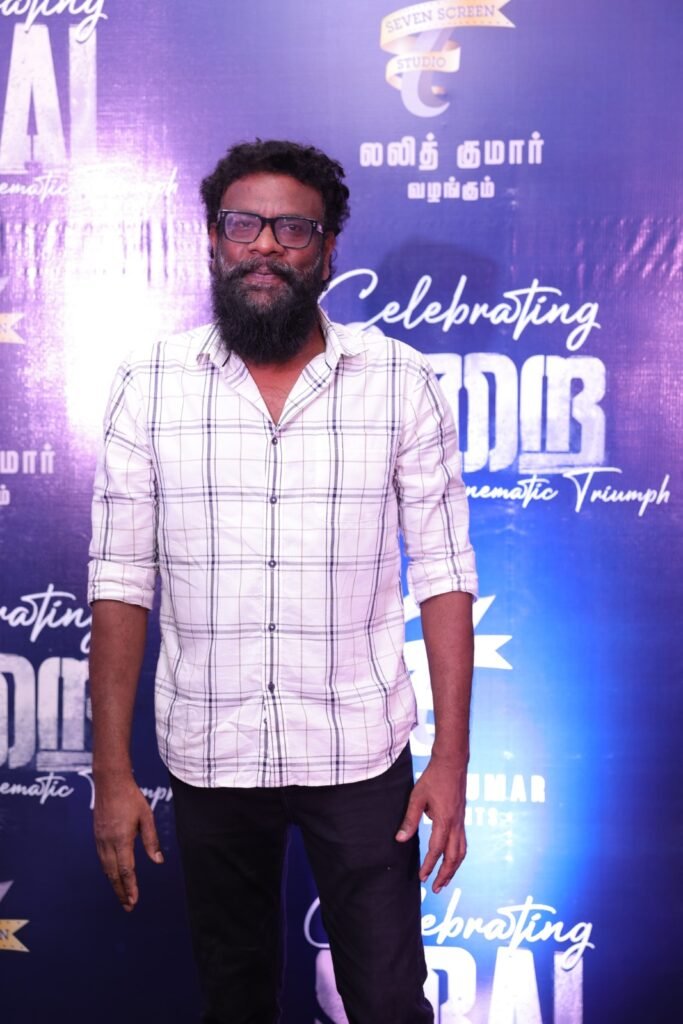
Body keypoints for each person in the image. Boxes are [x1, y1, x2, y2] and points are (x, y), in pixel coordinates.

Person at [88, 139, 478, 1024]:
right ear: (213, 239)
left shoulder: (399, 381)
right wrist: (111, 774)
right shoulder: (148, 385)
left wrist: (450, 760)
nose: (265, 245)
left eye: (292, 229)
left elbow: (446, 572)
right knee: (235, 1002)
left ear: (327, 249)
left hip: (359, 750)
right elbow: (119, 583)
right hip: (211, 751)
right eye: (243, 224)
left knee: (388, 1002)